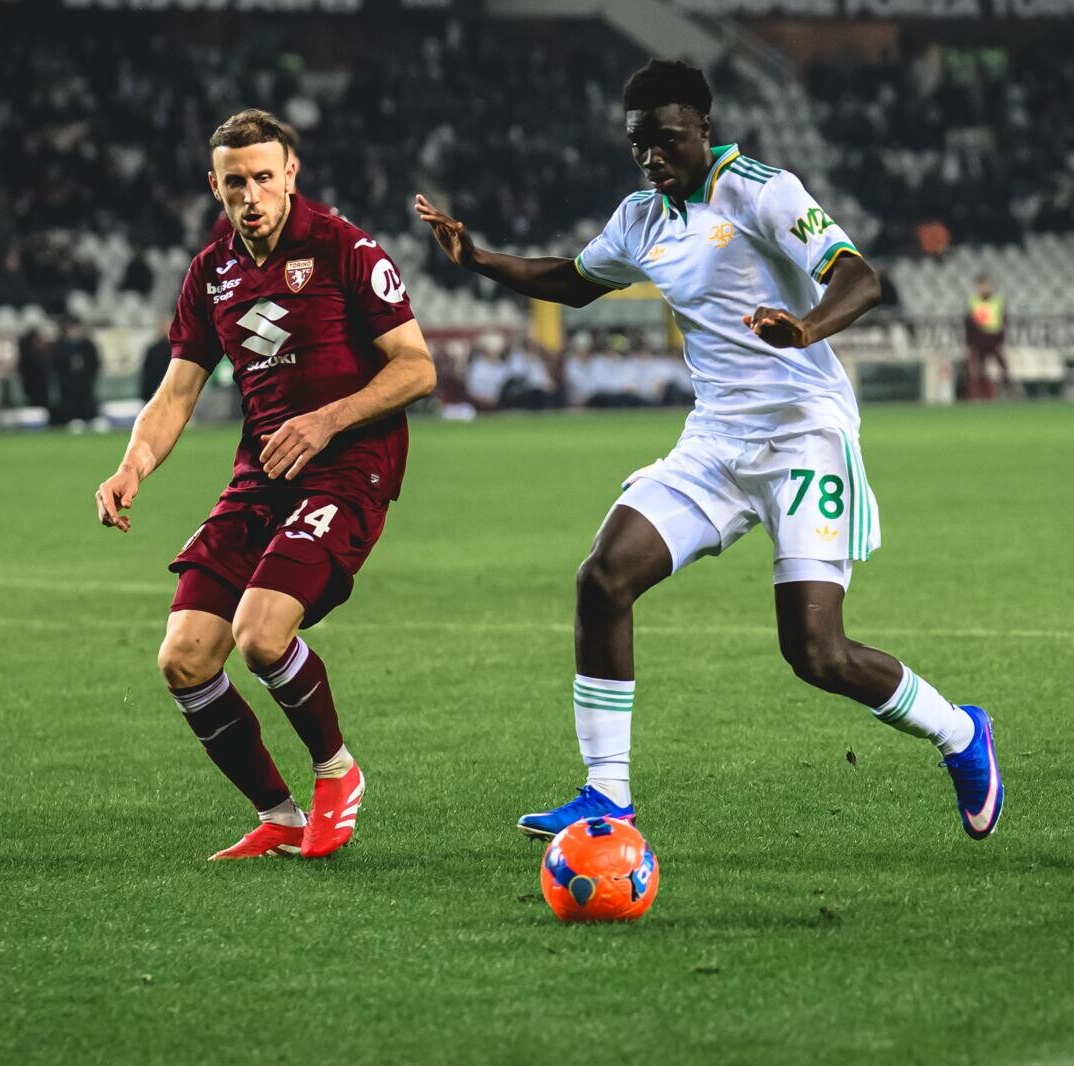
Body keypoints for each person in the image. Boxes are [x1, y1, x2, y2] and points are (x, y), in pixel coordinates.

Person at [415, 60, 1002, 844]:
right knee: (603, 577)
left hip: (803, 434)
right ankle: (607, 794)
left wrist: (806, 328)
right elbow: (576, 280)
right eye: (638, 145)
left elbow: (861, 278)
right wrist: (480, 259)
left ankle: (960, 732)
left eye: (665, 140)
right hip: (715, 440)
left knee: (816, 652)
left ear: (703, 128)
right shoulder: (641, 218)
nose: (651, 157)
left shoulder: (763, 191)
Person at [95, 109, 436, 861]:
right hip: (264, 475)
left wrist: (326, 420)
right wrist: (132, 465)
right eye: (235, 183)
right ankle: (279, 816)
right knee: (185, 656)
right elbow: (177, 392)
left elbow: (417, 368)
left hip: (348, 467)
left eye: (263, 178)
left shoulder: (344, 248)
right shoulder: (210, 273)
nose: (250, 196)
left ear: (290, 174)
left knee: (259, 633)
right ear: (213, 186)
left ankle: (337, 772)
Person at [964, 273, 1010, 400]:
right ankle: (978, 396)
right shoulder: (973, 301)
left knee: (1003, 368)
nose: (982, 288)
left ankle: (1008, 393)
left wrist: (1002, 342)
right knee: (978, 370)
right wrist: (968, 344)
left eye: (984, 285)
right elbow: (968, 324)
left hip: (994, 339)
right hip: (979, 340)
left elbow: (1003, 322)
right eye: (979, 286)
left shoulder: (997, 301)